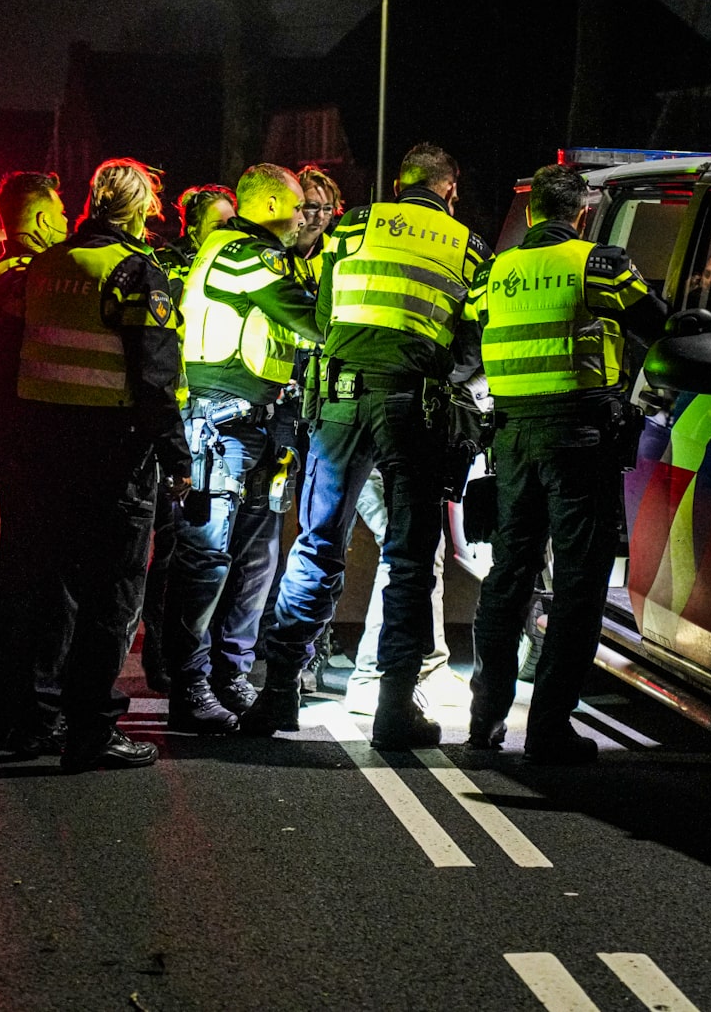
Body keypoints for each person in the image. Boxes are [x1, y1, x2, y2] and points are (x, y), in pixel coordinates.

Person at [245, 142, 490, 749]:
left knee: (317, 543)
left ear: (399, 185)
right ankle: (393, 707)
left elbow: (326, 314)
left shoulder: (353, 227)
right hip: (411, 407)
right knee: (409, 558)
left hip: (339, 399)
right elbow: (470, 346)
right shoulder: (467, 246)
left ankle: (279, 692)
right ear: (449, 191)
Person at [465, 163, 667, 762]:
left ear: (531, 213)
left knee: (509, 577)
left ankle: (485, 718)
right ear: (581, 213)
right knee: (579, 582)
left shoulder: (494, 271)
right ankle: (549, 727)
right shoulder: (599, 264)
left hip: (512, 439)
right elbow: (658, 326)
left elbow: (472, 331)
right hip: (578, 438)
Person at [16, 158, 192, 772]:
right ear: (140, 210)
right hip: (112, 452)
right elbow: (155, 378)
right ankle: (92, 729)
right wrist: (176, 456)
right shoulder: (135, 271)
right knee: (112, 594)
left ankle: (44, 716)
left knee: (55, 588)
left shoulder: (48, 265)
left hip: (45, 448)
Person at [162, 163, 320, 732]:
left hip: (258, 424)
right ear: (272, 205)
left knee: (255, 560)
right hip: (221, 425)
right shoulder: (243, 254)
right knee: (206, 560)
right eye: (298, 206)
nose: (303, 217)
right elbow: (312, 319)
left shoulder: (258, 255)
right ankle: (190, 686)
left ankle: (231, 675)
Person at [0, 171, 74, 752]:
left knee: (20, 568)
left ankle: (10, 701)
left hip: (13, 434)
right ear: (39, 221)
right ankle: (29, 707)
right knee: (40, 575)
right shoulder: (26, 278)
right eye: (60, 214)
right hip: (29, 438)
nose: (67, 223)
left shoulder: (8, 272)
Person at [140, 181, 237, 692]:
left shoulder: (236, 266)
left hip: (211, 419)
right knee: (168, 545)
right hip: (172, 420)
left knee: (199, 545)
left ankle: (192, 651)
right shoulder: (170, 268)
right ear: (193, 227)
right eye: (218, 224)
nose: (228, 232)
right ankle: (159, 653)